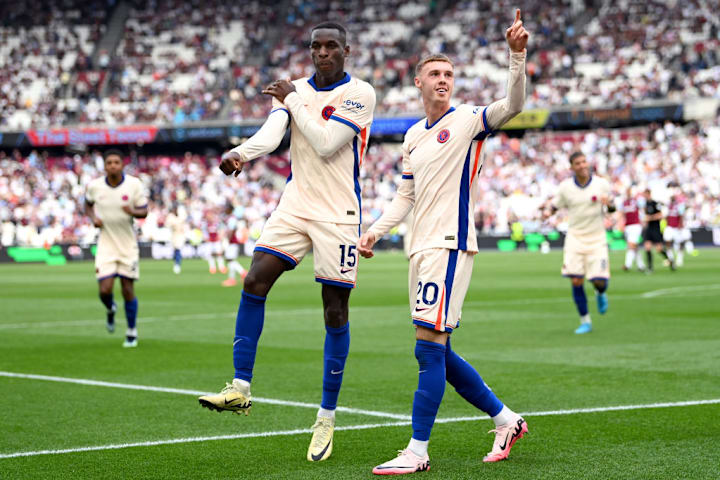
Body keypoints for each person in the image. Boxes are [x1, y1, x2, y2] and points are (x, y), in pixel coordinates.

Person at [358, 10, 529, 474]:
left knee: (427, 348)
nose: (443, 80)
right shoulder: (413, 135)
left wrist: (517, 56)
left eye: (449, 74)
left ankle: (417, 451)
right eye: (434, 73)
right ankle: (506, 419)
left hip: (449, 245)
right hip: (421, 247)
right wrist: (375, 230)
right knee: (440, 350)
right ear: (418, 82)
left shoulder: (470, 120)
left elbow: (512, 105)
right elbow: (405, 196)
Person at [197, 21, 376, 463]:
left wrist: (292, 98)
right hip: (295, 205)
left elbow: (327, 142)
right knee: (254, 280)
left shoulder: (360, 94)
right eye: (316, 46)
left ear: (346, 51)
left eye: (332, 46)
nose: (323, 53)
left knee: (334, 310)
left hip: (339, 213)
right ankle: (239, 388)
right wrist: (241, 153)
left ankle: (326, 417)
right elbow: (274, 132)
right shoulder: (293, 89)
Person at [544, 152, 614, 334]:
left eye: (584, 162)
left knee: (599, 281)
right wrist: (547, 212)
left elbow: (612, 208)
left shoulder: (601, 184)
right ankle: (585, 321)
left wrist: (609, 204)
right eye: (578, 163)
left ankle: (600, 292)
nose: (582, 165)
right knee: (576, 279)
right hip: (575, 237)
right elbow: (554, 206)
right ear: (572, 167)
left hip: (597, 238)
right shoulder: (565, 187)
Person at [84, 150, 148, 347]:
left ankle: (131, 331)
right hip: (105, 244)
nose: (112, 165)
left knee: (128, 289)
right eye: (109, 162)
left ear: (122, 165)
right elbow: (87, 205)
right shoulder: (95, 186)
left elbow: (144, 210)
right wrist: (93, 217)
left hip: (128, 245)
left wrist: (133, 211)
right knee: (105, 290)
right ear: (104, 166)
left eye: (116, 162)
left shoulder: (134, 184)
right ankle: (110, 308)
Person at [642, 189, 674, 273]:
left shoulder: (655, 203)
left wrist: (651, 217)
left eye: (645, 194)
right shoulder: (645, 204)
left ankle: (670, 260)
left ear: (648, 194)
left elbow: (661, 215)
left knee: (659, 249)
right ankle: (650, 267)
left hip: (656, 228)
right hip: (648, 228)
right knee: (647, 247)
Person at [621, 187, 645, 272]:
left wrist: (643, 221)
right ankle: (641, 265)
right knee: (634, 246)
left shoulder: (637, 201)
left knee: (631, 245)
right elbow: (622, 214)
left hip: (635, 225)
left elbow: (642, 210)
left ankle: (628, 265)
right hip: (628, 226)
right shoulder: (624, 203)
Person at [166, 205, 186, 274]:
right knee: (175, 250)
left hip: (180, 235)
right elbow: (168, 224)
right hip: (174, 235)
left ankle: (177, 264)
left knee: (178, 250)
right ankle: (176, 262)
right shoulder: (171, 217)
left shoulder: (181, 215)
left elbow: (183, 223)